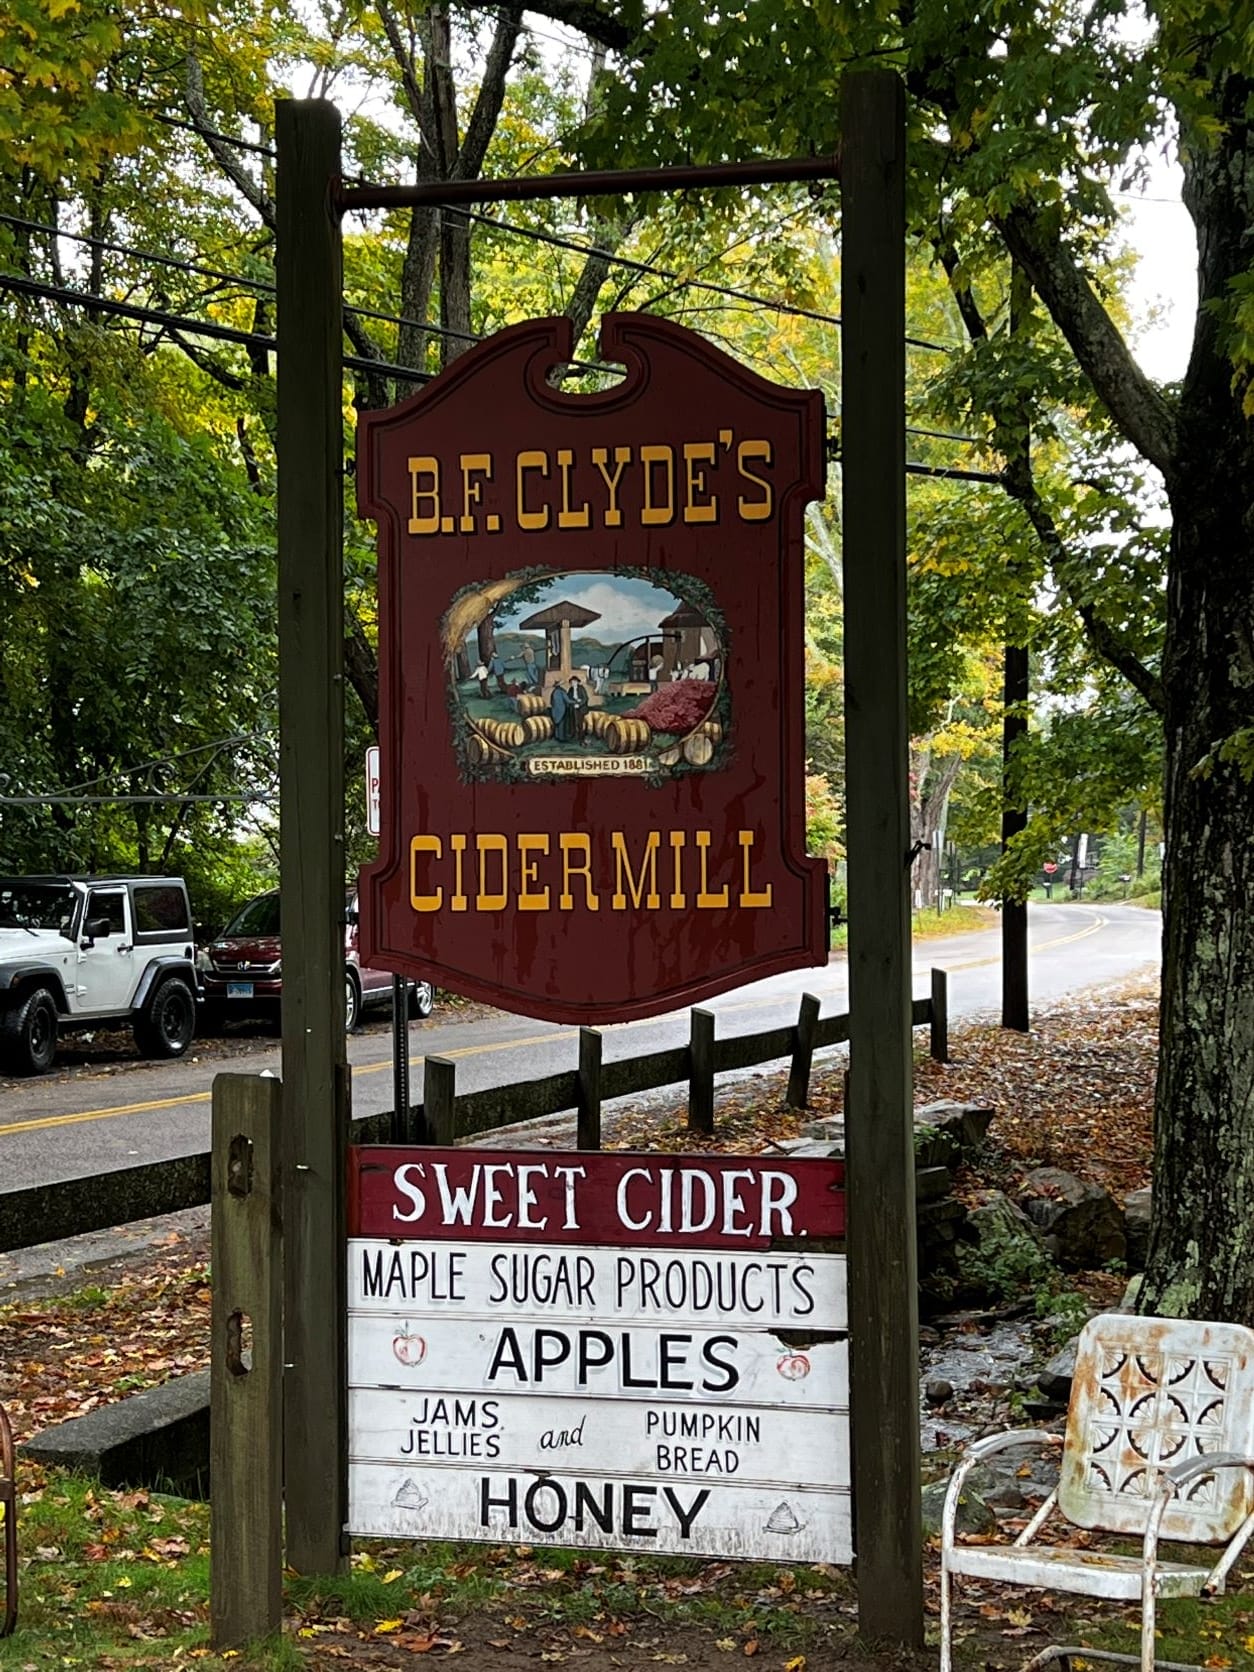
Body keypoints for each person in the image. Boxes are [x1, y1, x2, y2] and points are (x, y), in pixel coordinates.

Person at [567, 673, 589, 740]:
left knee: (580, 723)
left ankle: (580, 736)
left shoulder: (581, 688)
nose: (573, 683)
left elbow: (585, 698)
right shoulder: (570, 689)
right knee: (573, 722)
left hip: (580, 709)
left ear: (577, 682)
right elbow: (568, 698)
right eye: (572, 682)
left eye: (574, 682)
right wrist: (573, 702)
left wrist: (579, 704)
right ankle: (573, 735)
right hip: (573, 708)